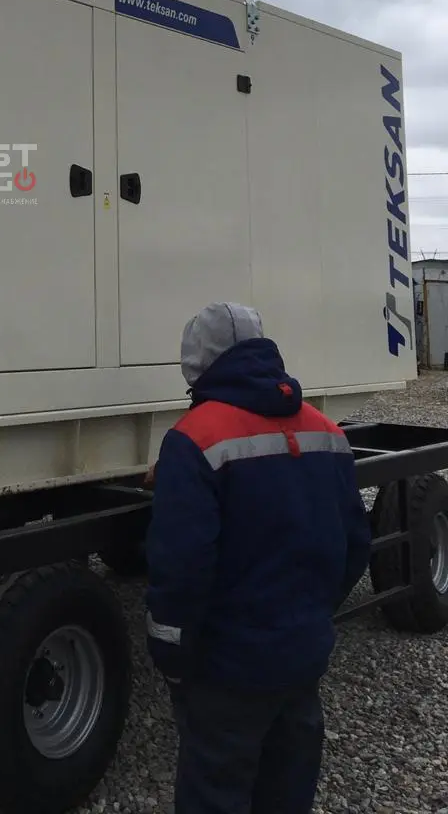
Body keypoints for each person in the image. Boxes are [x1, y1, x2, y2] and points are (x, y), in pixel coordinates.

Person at [144, 303, 372, 814]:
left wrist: (172, 660)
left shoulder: (192, 438)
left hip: (227, 670)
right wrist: (308, 619)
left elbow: (181, 570)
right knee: (287, 789)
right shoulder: (328, 432)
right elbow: (355, 544)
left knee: (216, 791)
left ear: (196, 364)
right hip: (302, 659)